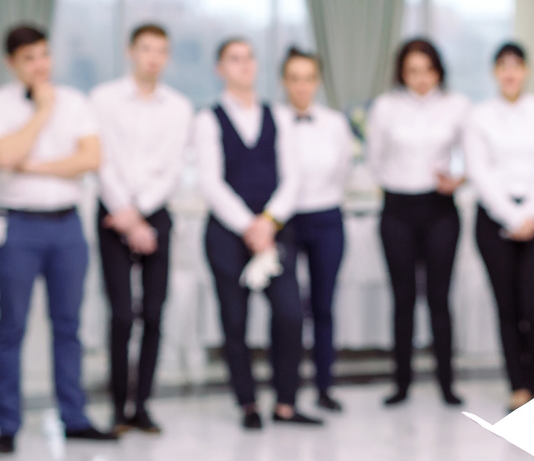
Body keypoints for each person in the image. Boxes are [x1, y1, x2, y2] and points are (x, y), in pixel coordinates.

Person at [194, 38, 321, 430]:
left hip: (274, 231)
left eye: (249, 57)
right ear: (220, 68)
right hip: (227, 234)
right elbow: (210, 183)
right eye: (234, 58)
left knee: (288, 314)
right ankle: (247, 403)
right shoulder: (207, 119)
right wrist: (247, 226)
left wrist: (268, 221)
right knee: (235, 319)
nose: (244, 65)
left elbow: (293, 175)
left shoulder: (277, 116)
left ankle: (286, 402)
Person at [0, 25, 116, 455]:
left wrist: (31, 165)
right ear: (13, 63)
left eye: (44, 55)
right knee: (9, 328)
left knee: (69, 327)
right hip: (19, 227)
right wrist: (42, 114)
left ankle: (76, 417)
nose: (40, 65)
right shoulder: (6, 102)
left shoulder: (77, 101)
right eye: (29, 58)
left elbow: (90, 158)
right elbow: (5, 156)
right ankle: (6, 421)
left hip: (68, 227)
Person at [90, 24, 194, 435]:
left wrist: (141, 213)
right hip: (111, 213)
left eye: (161, 51)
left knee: (153, 313)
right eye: (146, 49)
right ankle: (117, 406)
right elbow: (101, 160)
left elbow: (173, 168)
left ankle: (143, 404)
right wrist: (125, 213)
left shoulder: (180, 107)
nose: (153, 57)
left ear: (167, 57)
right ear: (131, 51)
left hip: (156, 214)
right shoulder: (103, 99)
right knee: (120, 315)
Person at [464, 43, 534, 412]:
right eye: (503, 67)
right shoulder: (479, 116)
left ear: (525, 70)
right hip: (495, 221)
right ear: (495, 72)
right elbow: (480, 171)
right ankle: (518, 386)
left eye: (516, 66)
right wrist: (511, 217)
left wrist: (531, 214)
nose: (510, 73)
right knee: (507, 305)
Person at [367, 38, 470, 407]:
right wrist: (399, 181)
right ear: (401, 73)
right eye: (413, 71)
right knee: (403, 299)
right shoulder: (385, 107)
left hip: (440, 208)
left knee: (440, 299)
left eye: (427, 70)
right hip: (397, 209)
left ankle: (447, 383)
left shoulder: (457, 105)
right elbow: (374, 159)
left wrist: (456, 177)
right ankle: (402, 383)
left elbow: (470, 156)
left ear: (438, 70)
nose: (421, 78)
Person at [276, 47, 353, 413]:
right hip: (285, 222)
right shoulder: (273, 119)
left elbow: (343, 169)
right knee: (288, 308)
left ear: (317, 82)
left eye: (308, 78)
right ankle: (285, 390)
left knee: (323, 305)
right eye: (295, 78)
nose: (302, 86)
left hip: (326, 218)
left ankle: (325, 386)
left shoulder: (335, 122)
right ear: (283, 82)